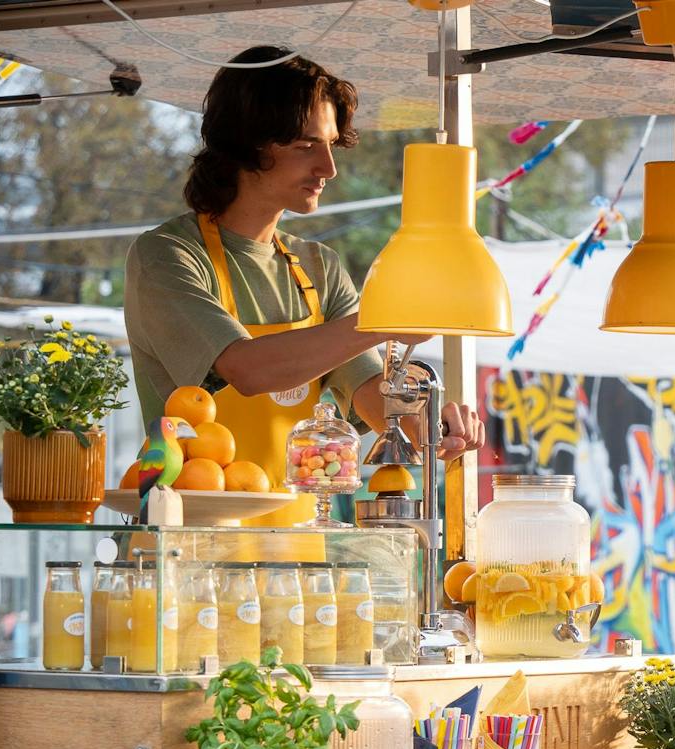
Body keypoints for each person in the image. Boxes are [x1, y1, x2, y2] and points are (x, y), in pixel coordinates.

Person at [124, 45, 482, 526]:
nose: (328, 168)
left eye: (331, 144)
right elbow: (248, 370)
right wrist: (386, 318)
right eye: (306, 145)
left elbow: (373, 399)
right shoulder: (167, 255)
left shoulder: (318, 265)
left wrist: (434, 427)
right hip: (185, 550)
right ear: (248, 143)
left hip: (296, 558)